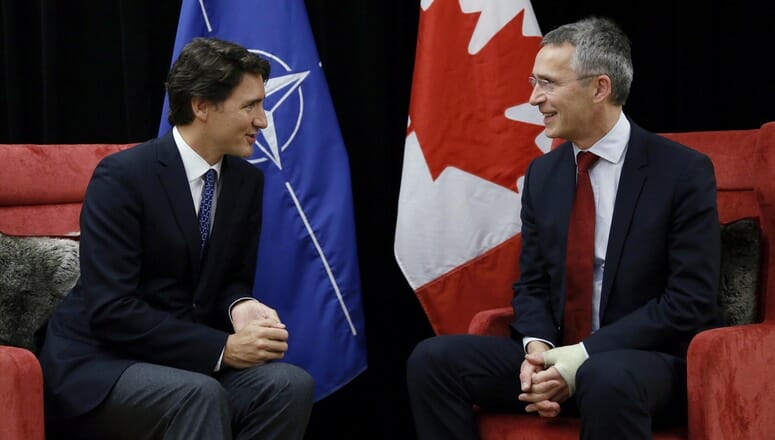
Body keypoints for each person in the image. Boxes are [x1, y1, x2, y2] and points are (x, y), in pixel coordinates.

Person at [406, 16, 720, 440]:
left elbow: (689, 301)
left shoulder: (682, 171)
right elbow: (532, 284)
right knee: (434, 360)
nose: (535, 98)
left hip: (646, 361)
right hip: (561, 354)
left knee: (605, 376)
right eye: (535, 82)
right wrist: (540, 351)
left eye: (549, 83)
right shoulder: (544, 174)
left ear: (600, 88)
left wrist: (582, 357)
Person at [37, 37, 315, 439]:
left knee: (288, 385)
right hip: (101, 364)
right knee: (197, 395)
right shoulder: (123, 177)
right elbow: (111, 308)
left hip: (184, 363)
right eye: (249, 106)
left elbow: (229, 278)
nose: (263, 121)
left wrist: (241, 305)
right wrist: (223, 349)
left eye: (262, 105)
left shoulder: (246, 182)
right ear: (201, 106)